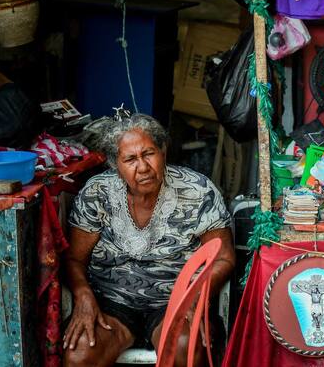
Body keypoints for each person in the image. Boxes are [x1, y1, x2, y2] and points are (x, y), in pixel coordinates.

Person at [63, 114, 235, 367]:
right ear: (115, 164)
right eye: (130, 159)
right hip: (111, 303)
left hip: (175, 302)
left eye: (149, 153)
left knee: (185, 350)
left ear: (163, 151)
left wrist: (196, 294)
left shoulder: (198, 191)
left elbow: (224, 257)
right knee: (78, 355)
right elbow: (74, 259)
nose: (143, 167)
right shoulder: (97, 193)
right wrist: (83, 295)